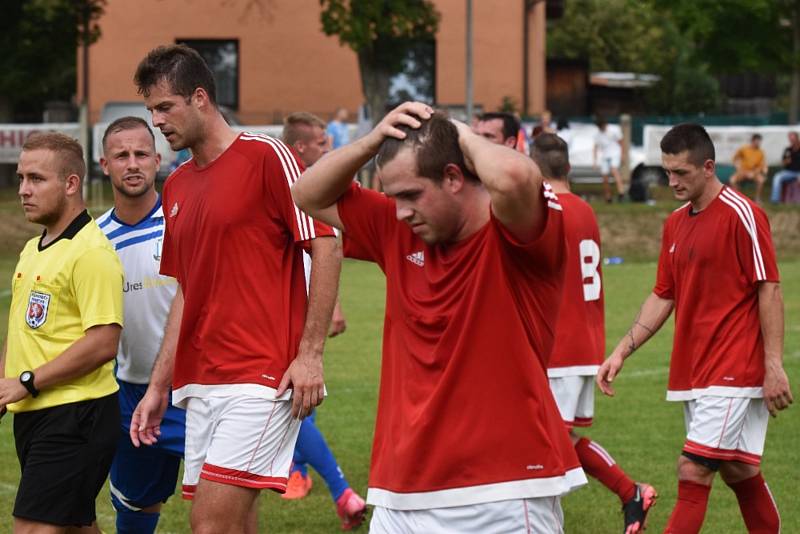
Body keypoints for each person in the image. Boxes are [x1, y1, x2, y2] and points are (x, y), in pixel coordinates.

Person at [293, 102, 586, 533]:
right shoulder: (400, 228)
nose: (399, 211)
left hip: (503, 491)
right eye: (392, 198)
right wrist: (374, 140)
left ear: (453, 176)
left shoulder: (516, 233)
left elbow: (516, 176)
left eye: (411, 195)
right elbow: (307, 193)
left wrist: (453, 130)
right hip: (401, 490)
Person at [130, 44, 340, 534]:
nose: (157, 122)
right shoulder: (178, 186)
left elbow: (326, 245)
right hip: (200, 381)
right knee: (236, 523)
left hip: (262, 378)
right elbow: (186, 290)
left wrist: (310, 355)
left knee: (209, 525)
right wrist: (160, 385)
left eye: (165, 107)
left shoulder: (267, 156)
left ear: (200, 97)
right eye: (151, 110)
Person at [597, 123, 793, 534]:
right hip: (693, 368)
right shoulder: (674, 222)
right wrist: (620, 351)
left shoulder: (743, 214)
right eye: (667, 172)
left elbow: (769, 289)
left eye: (681, 173)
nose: (672, 182)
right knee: (738, 470)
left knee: (693, 470)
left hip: (734, 367)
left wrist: (773, 365)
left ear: (708, 167)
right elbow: (662, 295)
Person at [531, 134, 656, 534]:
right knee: (552, 439)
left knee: (543, 445)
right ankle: (629, 491)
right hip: (582, 340)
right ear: (568, 167)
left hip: (559, 345)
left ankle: (627, 491)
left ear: (533, 171)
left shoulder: (546, 212)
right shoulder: (584, 209)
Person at [0, 132, 124, 532]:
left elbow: (104, 342)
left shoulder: (91, 253)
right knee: (74, 526)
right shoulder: (34, 248)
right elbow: (22, 328)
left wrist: (26, 381)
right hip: (36, 412)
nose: (23, 190)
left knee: (33, 526)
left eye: (36, 179)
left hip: (77, 413)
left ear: (71, 184)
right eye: (21, 178)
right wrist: (6, 383)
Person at [97, 116, 183, 534]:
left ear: (157, 160)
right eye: (121, 155)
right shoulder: (94, 241)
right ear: (104, 164)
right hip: (130, 393)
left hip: (195, 390)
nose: (132, 164)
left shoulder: (184, 223)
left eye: (141, 154)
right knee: (135, 507)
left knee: (224, 505)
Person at [281, 111, 366, 530]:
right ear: (300, 148)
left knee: (292, 403)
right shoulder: (288, 187)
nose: (328, 148)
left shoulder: (313, 193)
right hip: (286, 307)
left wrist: (330, 305)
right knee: (296, 402)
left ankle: (337, 489)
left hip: (299, 312)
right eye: (321, 143)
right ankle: (297, 472)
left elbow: (325, 251)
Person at [593, 118, 625, 203]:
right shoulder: (598, 134)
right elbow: (595, 147)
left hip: (615, 153)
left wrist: (622, 154)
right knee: (605, 177)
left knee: (614, 171)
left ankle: (621, 193)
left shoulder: (614, 129)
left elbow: (621, 142)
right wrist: (595, 161)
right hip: (605, 156)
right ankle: (608, 197)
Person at [730, 133, 767, 203]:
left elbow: (761, 165)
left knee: (761, 180)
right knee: (732, 180)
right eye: (757, 141)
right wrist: (738, 166)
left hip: (754, 173)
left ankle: (757, 198)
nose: (758, 144)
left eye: (759, 142)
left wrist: (755, 172)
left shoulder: (761, 152)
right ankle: (738, 198)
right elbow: (734, 158)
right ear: (752, 141)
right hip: (743, 171)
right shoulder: (744, 149)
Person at [769, 131, 800, 203]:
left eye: (793, 139)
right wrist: (786, 162)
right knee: (777, 177)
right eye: (790, 139)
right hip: (789, 172)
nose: (791, 140)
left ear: (797, 138)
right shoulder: (788, 150)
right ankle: (775, 200)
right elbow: (783, 163)